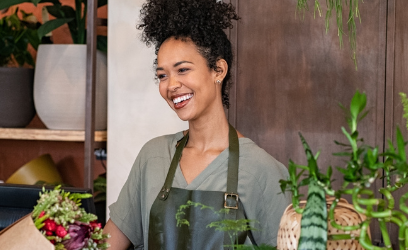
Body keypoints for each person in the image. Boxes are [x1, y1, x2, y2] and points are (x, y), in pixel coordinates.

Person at [106, 0, 291, 249]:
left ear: (218, 70)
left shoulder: (261, 170)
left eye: (182, 70)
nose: (171, 85)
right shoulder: (153, 157)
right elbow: (105, 245)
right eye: (162, 75)